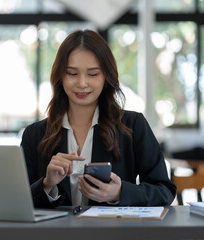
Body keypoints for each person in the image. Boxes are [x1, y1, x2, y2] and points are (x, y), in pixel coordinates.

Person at [20, 29, 176, 208]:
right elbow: (18, 199)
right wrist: (47, 185)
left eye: (93, 74)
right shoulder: (35, 135)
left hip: (113, 235)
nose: (82, 83)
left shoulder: (133, 126)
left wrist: (119, 193)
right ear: (60, 76)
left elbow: (164, 190)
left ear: (106, 76)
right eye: (72, 73)